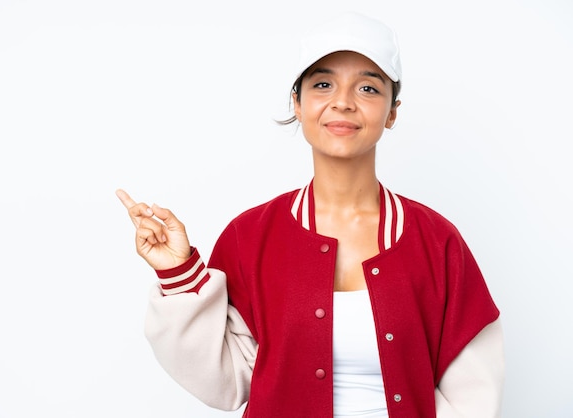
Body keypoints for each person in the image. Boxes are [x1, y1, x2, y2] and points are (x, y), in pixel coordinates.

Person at [116, 11, 505, 418]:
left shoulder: (437, 241)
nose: (343, 101)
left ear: (392, 112)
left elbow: (473, 395)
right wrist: (179, 273)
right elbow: (226, 382)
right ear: (298, 104)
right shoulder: (250, 236)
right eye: (323, 84)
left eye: (369, 88)